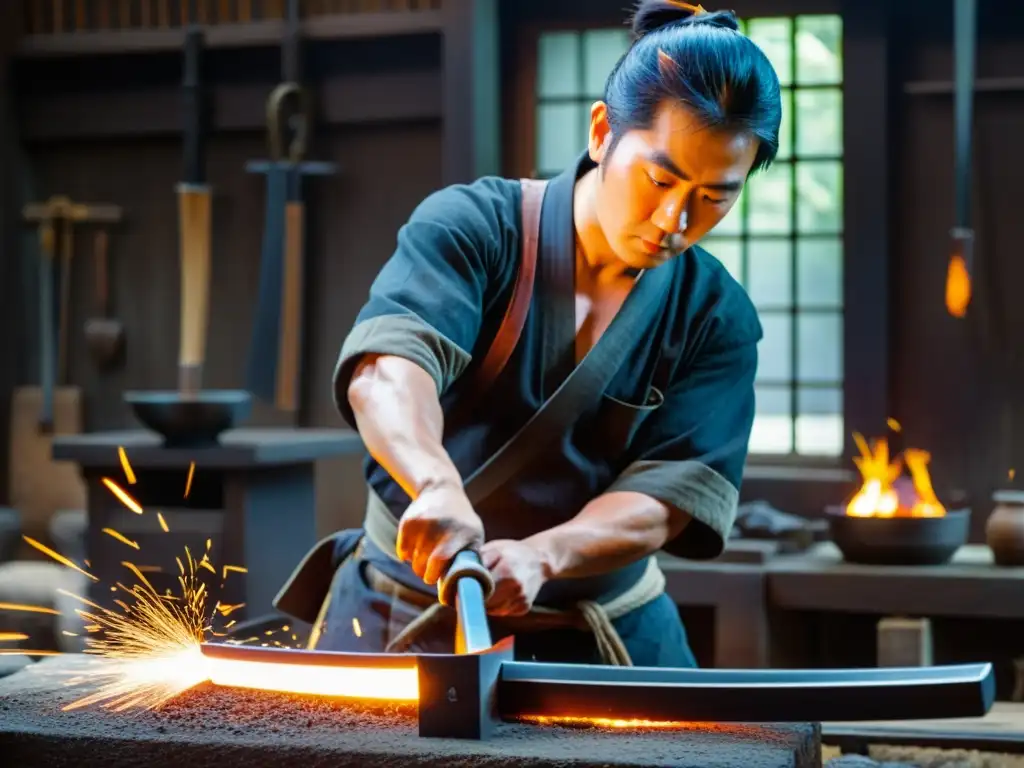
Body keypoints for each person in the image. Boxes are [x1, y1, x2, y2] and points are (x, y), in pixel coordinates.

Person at [275, 0, 782, 668]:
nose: (674, 218)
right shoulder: (474, 229)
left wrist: (545, 555)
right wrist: (435, 486)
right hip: (405, 605)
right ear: (602, 132)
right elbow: (388, 372)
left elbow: (670, 499)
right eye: (660, 178)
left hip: (605, 625)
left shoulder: (716, 316)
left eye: (714, 196)